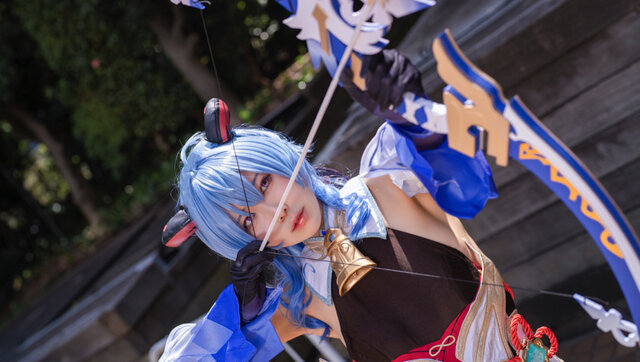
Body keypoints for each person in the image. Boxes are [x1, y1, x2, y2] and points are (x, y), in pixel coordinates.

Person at [159, 50, 521, 361]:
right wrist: (239, 315)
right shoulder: (302, 300)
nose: (276, 212)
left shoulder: (387, 182)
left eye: (264, 184)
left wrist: (412, 117)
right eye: (248, 220)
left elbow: (465, 178)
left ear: (278, 158)